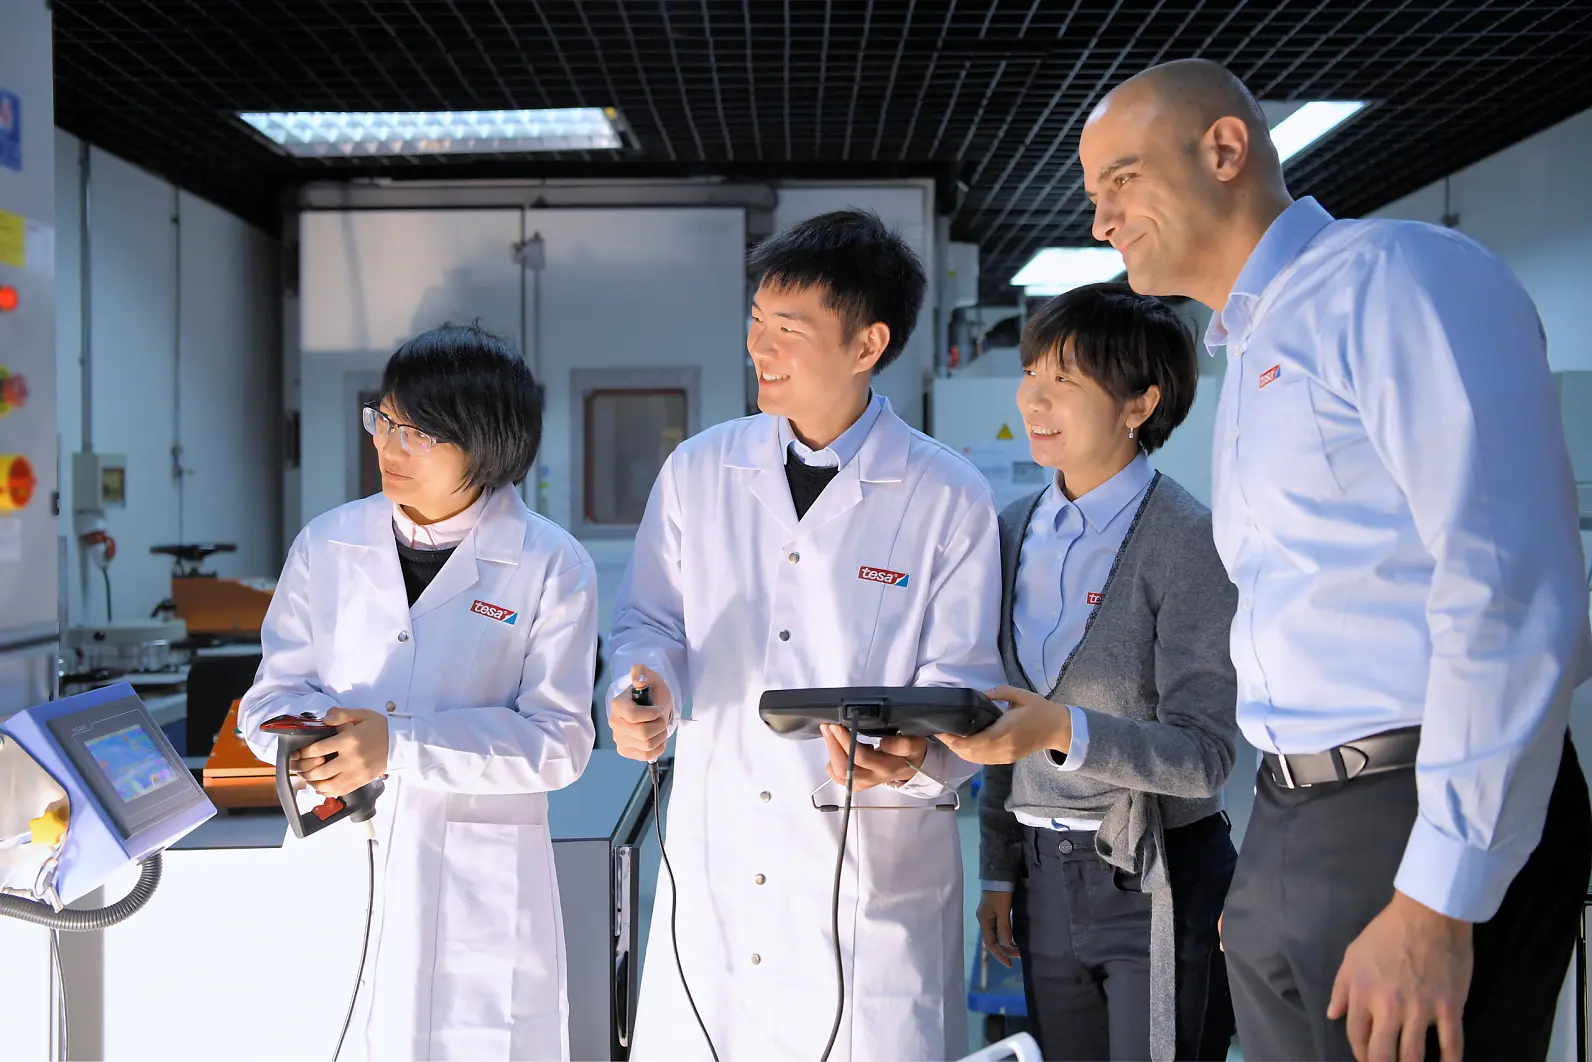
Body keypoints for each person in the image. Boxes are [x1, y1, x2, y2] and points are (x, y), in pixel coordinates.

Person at [1078, 59, 1592, 1062]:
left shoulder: (1392, 278)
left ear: (1223, 149)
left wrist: (1437, 898)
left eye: (1121, 180)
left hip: (1413, 807)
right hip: (1297, 811)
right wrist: (1269, 870)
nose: (1100, 220)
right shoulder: (1254, 346)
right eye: (1091, 196)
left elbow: (1507, 595)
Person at [606, 208, 1005, 1061]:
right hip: (717, 876)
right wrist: (645, 683)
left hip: (867, 873)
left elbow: (962, 687)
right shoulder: (700, 472)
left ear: (866, 346)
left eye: (788, 330)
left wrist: (918, 755)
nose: (760, 347)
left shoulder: (947, 496)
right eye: (755, 321)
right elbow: (649, 620)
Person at [238, 323, 599, 1061]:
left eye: (419, 433)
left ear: (489, 445)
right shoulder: (328, 544)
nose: (388, 447)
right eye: (386, 420)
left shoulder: (549, 564)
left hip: (477, 886)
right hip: (339, 856)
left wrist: (400, 747)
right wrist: (303, 740)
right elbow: (270, 694)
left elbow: (560, 743)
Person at [940, 282, 1239, 1062]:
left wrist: (1064, 729)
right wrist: (999, 877)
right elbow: (999, 723)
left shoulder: (1189, 542)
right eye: (1032, 372)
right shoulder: (1008, 532)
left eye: (1064, 380)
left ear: (1140, 404)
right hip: (1041, 880)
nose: (1034, 399)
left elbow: (1205, 755)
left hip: (1154, 877)